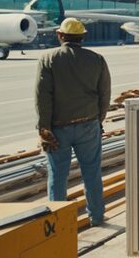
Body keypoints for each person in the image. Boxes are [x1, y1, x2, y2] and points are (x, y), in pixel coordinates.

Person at [35, 18, 111, 226]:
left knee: (58, 176)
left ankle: (56, 223)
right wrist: (98, 119)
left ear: (60, 36)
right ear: (82, 37)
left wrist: (44, 128)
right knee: (91, 172)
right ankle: (96, 216)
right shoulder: (97, 59)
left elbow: (43, 96)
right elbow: (104, 94)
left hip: (59, 127)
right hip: (89, 124)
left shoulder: (49, 59)